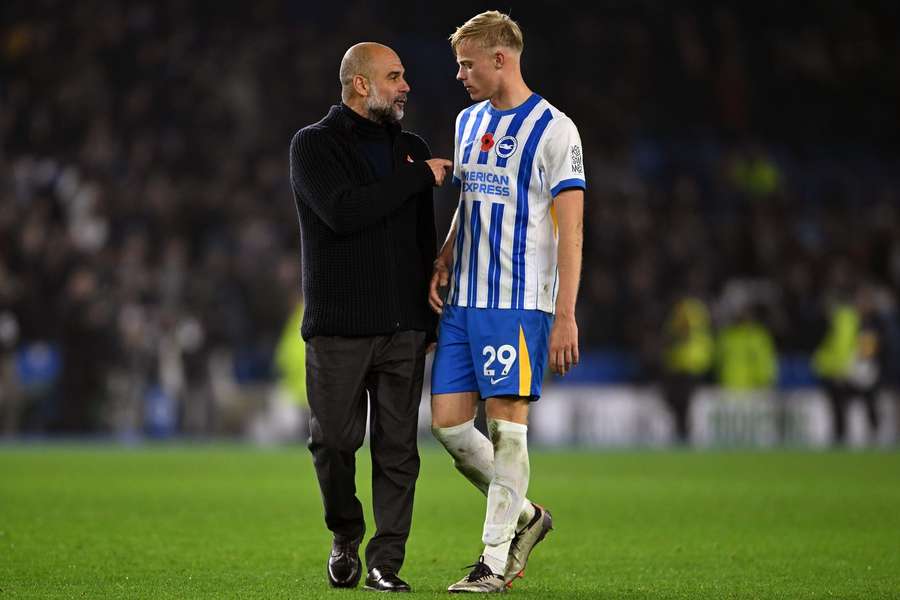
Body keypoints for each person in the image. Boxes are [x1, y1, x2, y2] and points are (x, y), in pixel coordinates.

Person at [428, 11, 586, 592]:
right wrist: (445, 253)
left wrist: (565, 312)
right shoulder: (467, 121)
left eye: (468, 64)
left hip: (519, 301)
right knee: (447, 427)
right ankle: (526, 516)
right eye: (458, 65)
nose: (461, 75)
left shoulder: (555, 130)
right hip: (465, 298)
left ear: (502, 59)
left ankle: (494, 561)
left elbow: (571, 230)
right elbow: (469, 202)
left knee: (507, 431)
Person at [288, 42, 452, 593]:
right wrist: (418, 178)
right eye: (395, 76)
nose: (406, 86)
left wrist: (428, 320)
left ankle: (386, 561)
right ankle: (344, 533)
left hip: (403, 327)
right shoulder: (312, 146)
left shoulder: (412, 149)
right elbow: (342, 212)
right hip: (338, 328)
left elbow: (420, 238)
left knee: (398, 449)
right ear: (361, 85)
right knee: (333, 442)